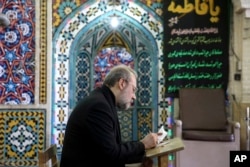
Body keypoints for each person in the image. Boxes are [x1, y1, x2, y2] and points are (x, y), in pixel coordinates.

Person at [60, 64, 160, 167]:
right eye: (133, 89)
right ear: (122, 83)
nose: (134, 96)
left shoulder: (103, 100)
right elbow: (112, 155)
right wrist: (143, 145)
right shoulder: (99, 106)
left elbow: (112, 148)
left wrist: (143, 149)